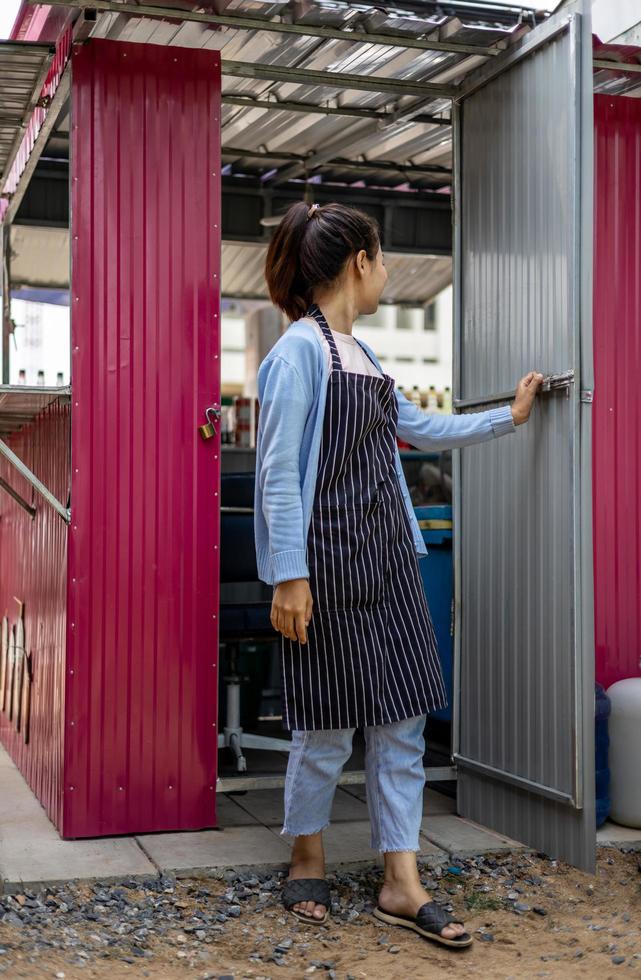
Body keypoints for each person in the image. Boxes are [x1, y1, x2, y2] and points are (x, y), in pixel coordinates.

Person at [254, 201, 543, 950]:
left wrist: (505, 418)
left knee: (402, 718)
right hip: (323, 564)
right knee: (323, 724)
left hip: (388, 560)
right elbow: (279, 476)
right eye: (381, 259)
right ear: (359, 262)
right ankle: (305, 853)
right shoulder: (298, 353)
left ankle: (400, 879)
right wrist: (289, 574)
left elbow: (420, 428)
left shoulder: (366, 356)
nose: (385, 273)